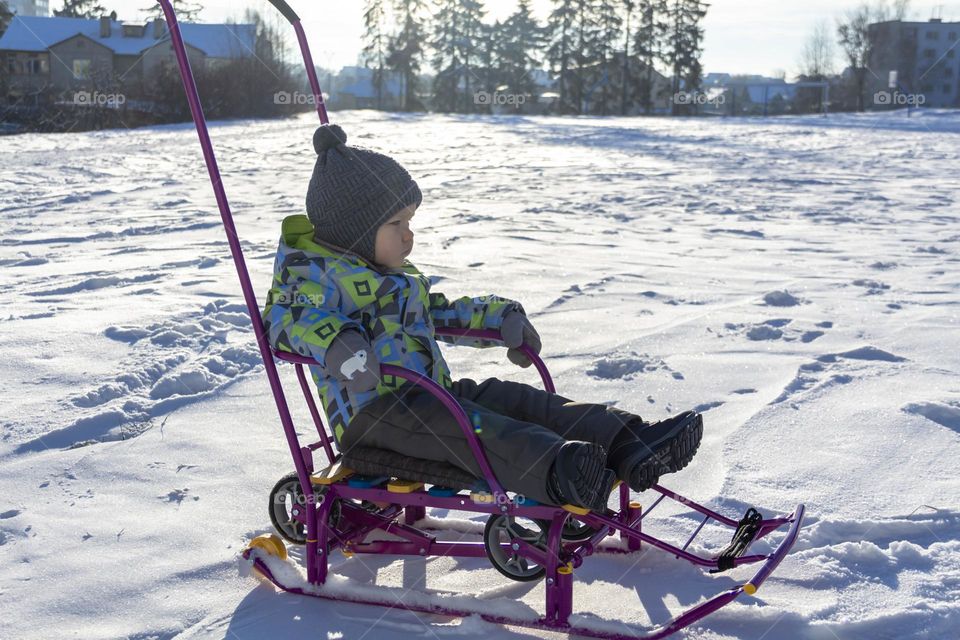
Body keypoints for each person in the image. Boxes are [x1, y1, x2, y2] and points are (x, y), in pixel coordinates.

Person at [261, 124, 702, 511]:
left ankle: (628, 441)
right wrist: (338, 343)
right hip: (375, 419)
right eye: (397, 224)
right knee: (475, 430)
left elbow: (438, 311)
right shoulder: (311, 280)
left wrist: (499, 320)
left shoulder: (388, 275)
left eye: (410, 222)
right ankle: (562, 469)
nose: (409, 236)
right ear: (356, 231)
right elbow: (284, 321)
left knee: (514, 400)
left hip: (433, 393)